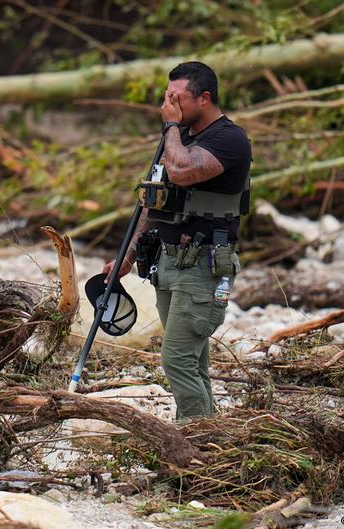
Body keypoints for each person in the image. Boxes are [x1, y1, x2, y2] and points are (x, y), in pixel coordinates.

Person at [102, 61, 251, 420]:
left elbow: (183, 172)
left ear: (203, 98)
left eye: (176, 98)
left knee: (177, 359)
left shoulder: (229, 139)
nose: (168, 106)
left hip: (205, 267)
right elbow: (153, 202)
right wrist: (129, 254)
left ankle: (193, 441)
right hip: (169, 263)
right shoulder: (178, 138)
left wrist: (170, 126)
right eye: (166, 97)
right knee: (193, 361)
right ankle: (209, 438)